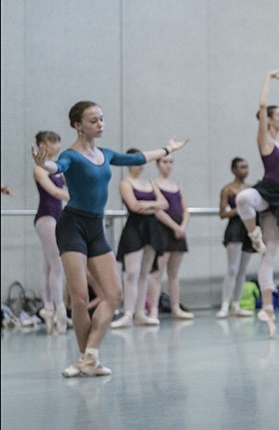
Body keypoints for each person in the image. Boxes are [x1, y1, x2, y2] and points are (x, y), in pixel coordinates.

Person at [32, 100, 187, 377]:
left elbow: (136, 159)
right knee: (79, 298)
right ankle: (84, 357)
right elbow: (58, 166)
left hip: (95, 228)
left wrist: (167, 149)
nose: (100, 124)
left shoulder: (105, 153)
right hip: (72, 226)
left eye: (101, 119)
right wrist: (44, 163)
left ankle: (90, 356)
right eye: (93, 120)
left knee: (114, 295)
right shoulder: (72, 155)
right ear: (77, 125)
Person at [235, 69, 279, 338]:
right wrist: (268, 79)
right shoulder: (266, 141)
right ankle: (252, 232)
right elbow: (261, 106)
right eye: (278, 115)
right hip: (265, 191)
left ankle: (268, 309)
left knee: (269, 257)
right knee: (243, 197)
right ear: (269, 121)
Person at [110, 149, 167, 328]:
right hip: (135, 228)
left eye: (141, 162)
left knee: (145, 273)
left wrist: (147, 205)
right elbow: (134, 206)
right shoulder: (125, 183)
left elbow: (164, 204)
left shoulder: (149, 183)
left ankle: (141, 311)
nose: (140, 166)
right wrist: (153, 206)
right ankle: (128, 312)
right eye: (136, 162)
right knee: (132, 273)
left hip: (151, 228)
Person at [148, 153, 193, 320]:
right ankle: (153, 309)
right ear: (158, 164)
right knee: (157, 273)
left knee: (174, 273)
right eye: (165, 162)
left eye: (171, 162)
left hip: (178, 232)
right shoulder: (153, 184)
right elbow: (158, 211)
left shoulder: (177, 185)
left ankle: (176, 307)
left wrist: (182, 227)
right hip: (163, 230)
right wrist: (174, 226)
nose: (168, 165)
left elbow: (185, 209)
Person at [33, 131, 70, 334]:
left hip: (57, 217)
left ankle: (49, 308)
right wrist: (76, 197)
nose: (56, 145)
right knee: (57, 265)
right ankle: (58, 309)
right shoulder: (40, 169)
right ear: (42, 145)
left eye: (57, 141)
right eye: (52, 141)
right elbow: (55, 192)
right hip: (46, 217)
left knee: (48, 265)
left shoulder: (57, 169)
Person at [217, 157, 255, 318]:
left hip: (248, 229)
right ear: (234, 170)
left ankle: (236, 304)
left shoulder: (251, 189)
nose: (244, 170)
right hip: (234, 229)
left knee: (242, 269)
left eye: (246, 167)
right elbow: (222, 213)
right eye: (241, 167)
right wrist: (239, 208)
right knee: (232, 268)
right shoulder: (227, 189)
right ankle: (225, 304)